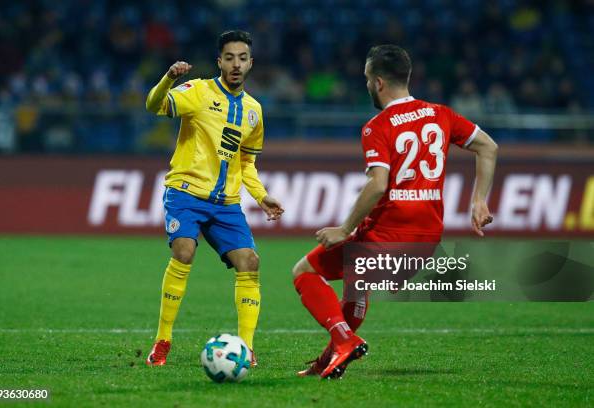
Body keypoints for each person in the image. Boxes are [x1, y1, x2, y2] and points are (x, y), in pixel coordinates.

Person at [292, 44, 498, 379]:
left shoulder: (378, 126)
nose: (367, 85)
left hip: (388, 235)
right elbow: (488, 147)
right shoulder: (441, 114)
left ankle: (344, 341)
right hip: (426, 242)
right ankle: (331, 358)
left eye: (366, 79)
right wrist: (480, 200)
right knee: (357, 286)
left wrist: (343, 229)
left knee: (304, 272)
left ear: (378, 82)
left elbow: (377, 185)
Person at [144, 30, 284, 366]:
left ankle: (246, 349)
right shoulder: (199, 91)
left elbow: (246, 162)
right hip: (186, 193)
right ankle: (163, 340)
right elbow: (154, 105)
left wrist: (262, 196)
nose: (236, 64)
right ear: (219, 61)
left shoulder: (254, 111)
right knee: (184, 250)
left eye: (243, 58)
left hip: (226, 204)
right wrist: (169, 79)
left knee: (250, 262)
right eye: (230, 57)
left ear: (251, 63)